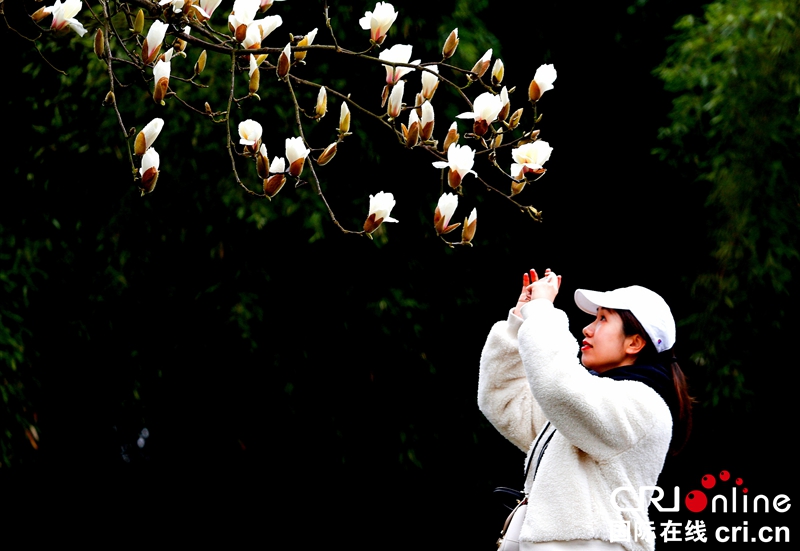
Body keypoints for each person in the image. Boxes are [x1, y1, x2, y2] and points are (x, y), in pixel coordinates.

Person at [478, 268, 692, 551]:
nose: (588, 328)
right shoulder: (588, 404)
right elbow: (504, 402)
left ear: (635, 342)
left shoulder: (644, 406)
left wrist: (542, 311)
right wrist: (520, 320)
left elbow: (557, 384)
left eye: (603, 319)